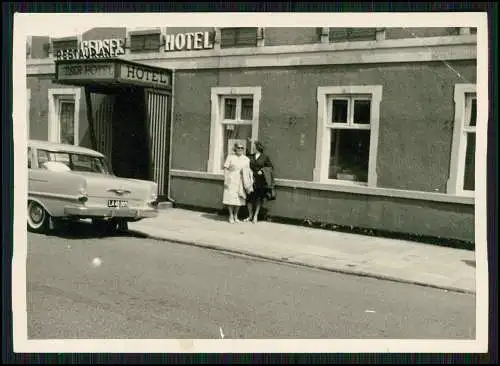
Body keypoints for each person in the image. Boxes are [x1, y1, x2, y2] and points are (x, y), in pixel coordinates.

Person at [244, 140, 275, 224]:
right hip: (251, 179)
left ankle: (255, 216)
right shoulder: (250, 156)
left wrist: (262, 170)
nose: (253, 148)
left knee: (258, 198)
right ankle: (250, 215)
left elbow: (270, 167)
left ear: (258, 147)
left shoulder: (264, 157)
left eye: (254, 147)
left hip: (260, 181)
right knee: (249, 198)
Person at [222, 142, 254, 224]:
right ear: (235, 148)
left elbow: (248, 171)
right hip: (231, 179)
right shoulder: (230, 157)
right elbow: (225, 168)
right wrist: (226, 179)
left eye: (242, 148)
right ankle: (230, 216)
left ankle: (236, 216)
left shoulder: (246, 159)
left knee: (239, 198)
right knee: (230, 198)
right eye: (238, 148)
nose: (240, 149)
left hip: (241, 180)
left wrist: (249, 181)